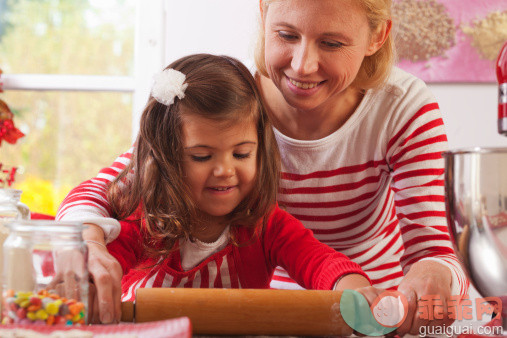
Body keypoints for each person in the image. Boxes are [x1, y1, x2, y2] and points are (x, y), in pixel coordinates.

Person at [57, 0, 468, 334]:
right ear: (263, 12)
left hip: (362, 313)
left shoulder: (402, 108)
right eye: (286, 35)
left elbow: (433, 248)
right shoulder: (229, 102)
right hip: (260, 314)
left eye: (332, 43)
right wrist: (89, 245)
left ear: (377, 37)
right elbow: (108, 188)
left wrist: (430, 278)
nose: (303, 65)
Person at [83, 53, 371, 323]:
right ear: (167, 156)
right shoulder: (145, 222)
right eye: (202, 156)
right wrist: (90, 284)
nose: (224, 171)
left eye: (241, 154)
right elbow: (99, 268)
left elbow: (318, 261)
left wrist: (353, 288)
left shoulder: (266, 225)